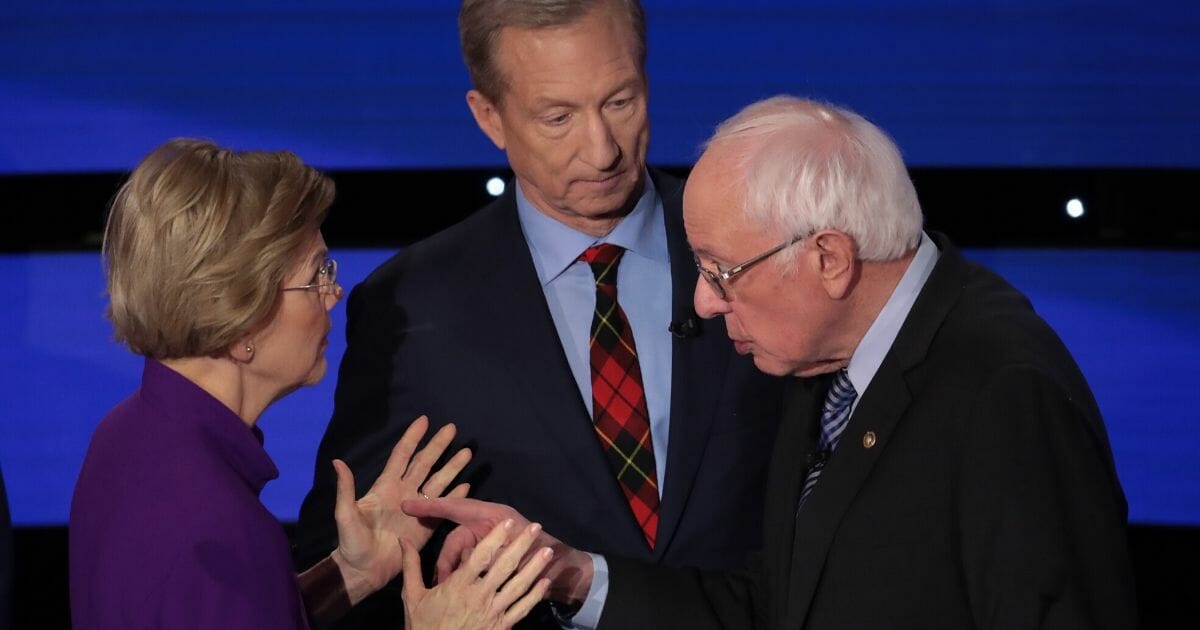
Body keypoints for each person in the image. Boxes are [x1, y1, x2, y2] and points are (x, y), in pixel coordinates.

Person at [403, 96, 1141, 629]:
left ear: (828, 258)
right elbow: (779, 607)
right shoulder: (829, 362)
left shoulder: (1002, 393)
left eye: (722, 272)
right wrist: (568, 573)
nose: (705, 301)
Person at [294, 1, 782, 626]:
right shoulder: (411, 305)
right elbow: (350, 563)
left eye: (621, 102)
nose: (602, 151)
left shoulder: (762, 244)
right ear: (489, 117)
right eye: (558, 117)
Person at [69, 139, 552, 630]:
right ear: (242, 320)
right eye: (317, 274)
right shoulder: (219, 527)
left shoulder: (126, 434)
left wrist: (352, 573)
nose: (335, 293)